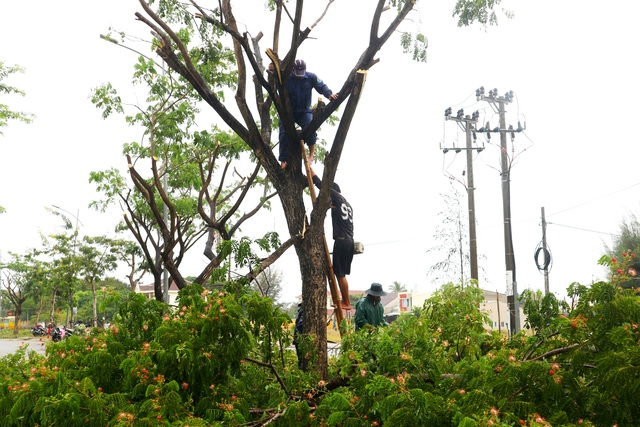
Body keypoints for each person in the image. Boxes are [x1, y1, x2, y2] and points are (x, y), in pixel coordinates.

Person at [278, 59, 339, 168]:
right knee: (283, 133)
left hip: (303, 111)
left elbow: (321, 86)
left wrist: (329, 94)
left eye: (302, 73)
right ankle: (283, 160)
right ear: (293, 70)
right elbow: (275, 77)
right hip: (288, 112)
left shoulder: (311, 77)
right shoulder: (286, 78)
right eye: (297, 73)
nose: (300, 76)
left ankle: (311, 154)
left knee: (311, 126)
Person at [309, 166, 354, 309]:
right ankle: (345, 301)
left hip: (341, 241)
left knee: (339, 274)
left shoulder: (336, 196)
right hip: (349, 241)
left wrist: (309, 167)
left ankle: (346, 302)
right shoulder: (347, 205)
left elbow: (320, 184)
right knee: (341, 273)